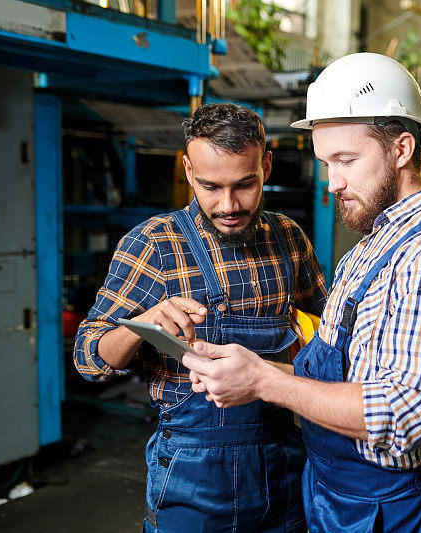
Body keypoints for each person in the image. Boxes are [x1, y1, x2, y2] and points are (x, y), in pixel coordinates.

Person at [183, 53, 421, 532]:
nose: (334, 183)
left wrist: (267, 384)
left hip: (389, 509)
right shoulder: (373, 245)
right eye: (327, 162)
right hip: (334, 493)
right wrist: (253, 369)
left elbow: (404, 415)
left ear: (402, 148)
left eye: (346, 160)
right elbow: (352, 377)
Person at [73, 103, 327, 532]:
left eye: (245, 184)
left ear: (266, 165)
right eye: (210, 186)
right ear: (189, 171)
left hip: (284, 467)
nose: (228, 204)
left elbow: (334, 333)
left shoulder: (288, 238)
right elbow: (89, 358)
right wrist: (145, 326)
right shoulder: (154, 244)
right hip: (194, 479)